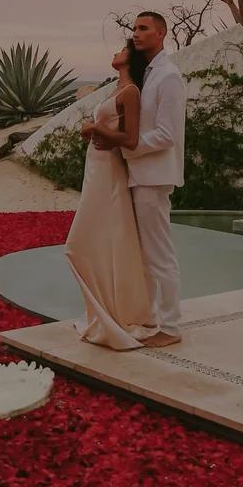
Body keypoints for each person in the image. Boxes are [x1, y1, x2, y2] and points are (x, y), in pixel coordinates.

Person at [78, 10, 187, 348]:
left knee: (159, 254)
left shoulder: (168, 76)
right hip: (139, 175)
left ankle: (171, 327)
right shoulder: (147, 76)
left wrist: (125, 148)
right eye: (134, 29)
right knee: (144, 254)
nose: (136, 34)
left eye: (143, 28)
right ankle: (149, 318)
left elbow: (167, 135)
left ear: (162, 33)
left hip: (153, 176)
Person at [64, 37, 159, 349]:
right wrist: (95, 131)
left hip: (109, 172)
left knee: (78, 244)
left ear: (129, 59)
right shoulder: (116, 89)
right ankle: (106, 313)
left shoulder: (130, 92)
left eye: (122, 49)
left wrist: (96, 130)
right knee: (102, 240)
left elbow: (130, 139)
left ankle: (117, 314)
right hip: (97, 170)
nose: (116, 52)